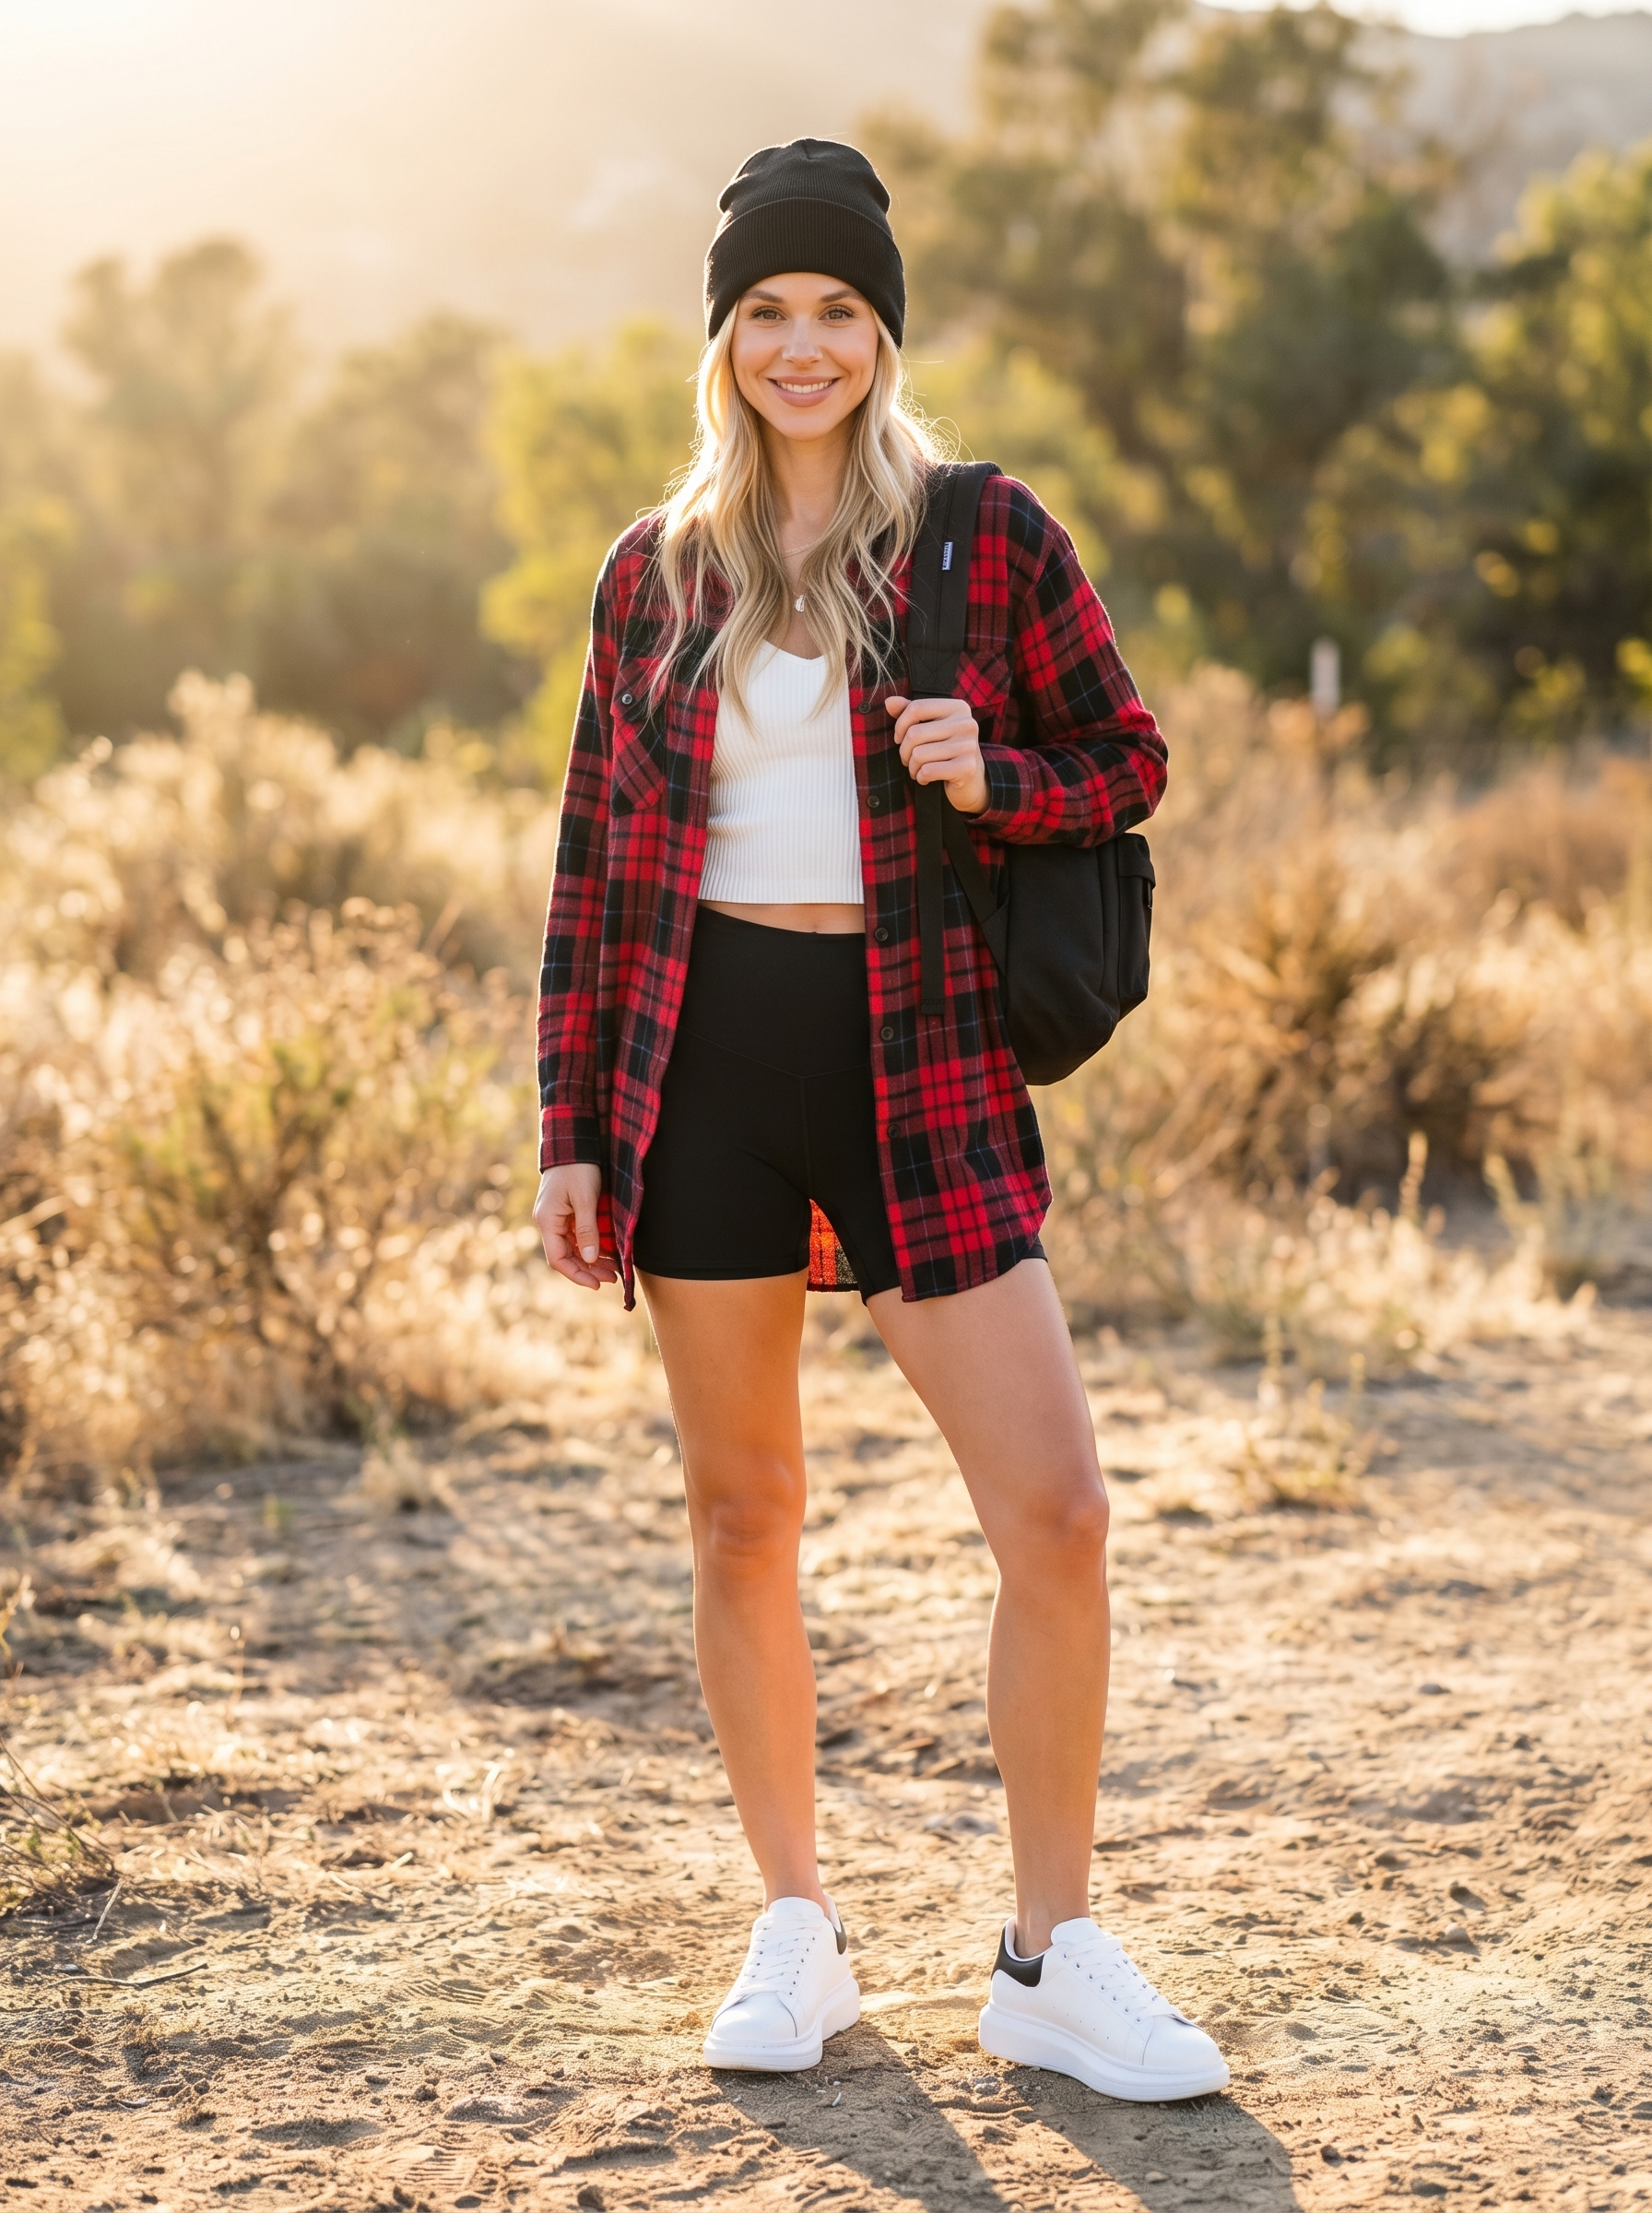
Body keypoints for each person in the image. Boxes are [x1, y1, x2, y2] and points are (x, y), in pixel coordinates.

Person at [532, 138, 1228, 2103]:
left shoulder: (981, 537)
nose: (804, 346)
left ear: (882, 332)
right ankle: (792, 1926)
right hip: (702, 1067)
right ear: (723, 339)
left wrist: (990, 769)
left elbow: (1130, 758)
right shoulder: (652, 573)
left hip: (914, 1054)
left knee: (1059, 1513)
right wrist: (569, 1124)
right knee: (743, 1512)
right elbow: (593, 859)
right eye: (768, 312)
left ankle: (1047, 1952)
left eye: (838, 311)